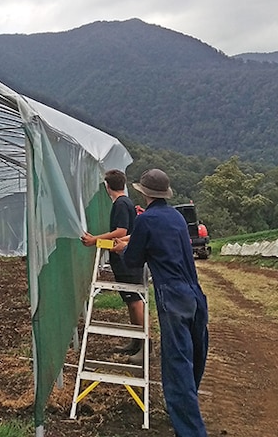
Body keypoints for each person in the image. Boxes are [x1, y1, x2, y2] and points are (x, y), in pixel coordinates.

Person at [113, 169, 209, 436]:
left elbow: (133, 259)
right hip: (195, 293)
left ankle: (191, 429)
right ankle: (185, 406)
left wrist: (122, 248)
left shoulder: (146, 221)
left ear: (144, 193)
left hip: (172, 294)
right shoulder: (177, 217)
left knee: (177, 362)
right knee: (195, 356)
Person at [81, 169, 145, 364]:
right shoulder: (124, 203)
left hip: (126, 260)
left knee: (135, 300)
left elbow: (121, 231)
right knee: (131, 300)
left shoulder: (120, 204)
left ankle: (144, 344)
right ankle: (136, 341)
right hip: (125, 258)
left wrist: (95, 240)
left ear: (108, 187)